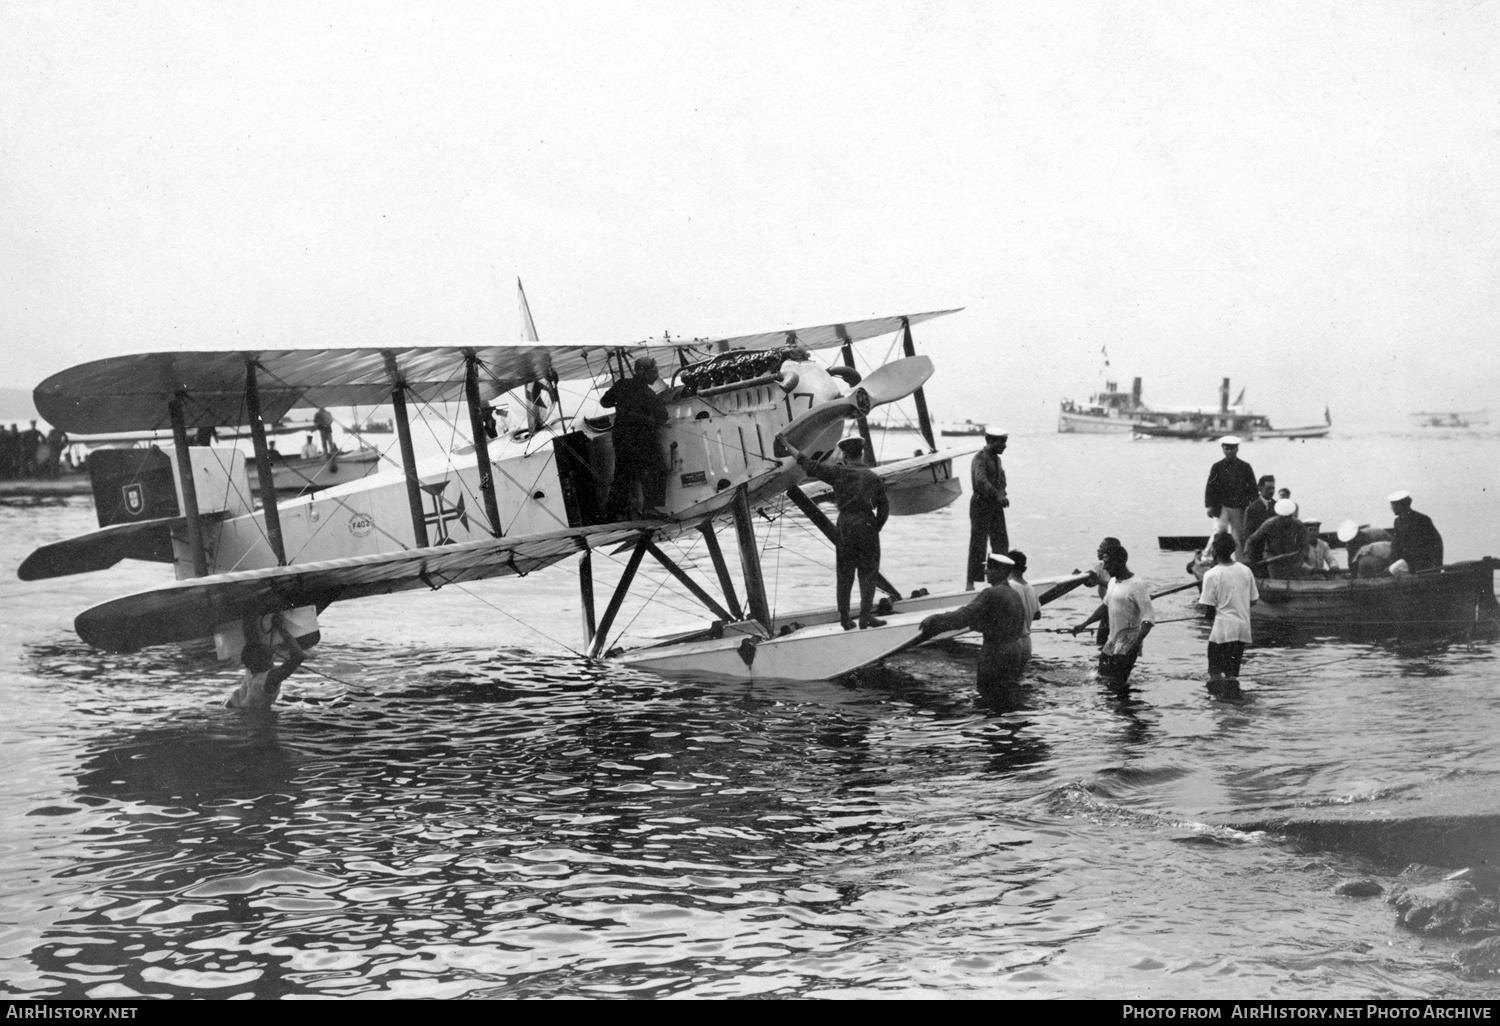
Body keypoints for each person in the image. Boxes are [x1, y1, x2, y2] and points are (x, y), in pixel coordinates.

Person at [788, 436, 890, 629]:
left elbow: (809, 464)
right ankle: (865, 616)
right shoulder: (872, 477)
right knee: (868, 572)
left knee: (845, 573)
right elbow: (884, 507)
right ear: (861, 453)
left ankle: (845, 618)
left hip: (845, 524)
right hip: (867, 524)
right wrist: (876, 525)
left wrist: (787, 445)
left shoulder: (838, 473)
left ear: (844, 454)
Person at [920, 554, 1030, 687]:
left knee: (988, 692)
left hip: (995, 653)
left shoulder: (991, 593)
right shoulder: (1014, 593)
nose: (985, 571)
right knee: (1007, 692)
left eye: (989, 568)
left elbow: (964, 616)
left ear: (1001, 571)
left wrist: (935, 620)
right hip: (1014, 652)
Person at [1073, 546, 1155, 687]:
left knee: (1117, 685)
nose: (1105, 568)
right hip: (1112, 640)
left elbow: (1149, 619)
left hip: (1128, 642)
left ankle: (1125, 707)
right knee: (1101, 679)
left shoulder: (1137, 585)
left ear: (1120, 562)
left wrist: (1136, 643)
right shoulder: (1112, 582)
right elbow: (1105, 607)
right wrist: (1085, 624)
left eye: (1108, 564)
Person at [600, 356, 670, 518]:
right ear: (642, 372)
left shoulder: (622, 384)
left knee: (623, 475)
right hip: (641, 439)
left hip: (621, 437)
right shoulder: (648, 393)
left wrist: (622, 403)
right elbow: (663, 416)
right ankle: (650, 508)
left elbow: (605, 402)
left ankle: (613, 513)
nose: (656, 375)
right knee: (657, 470)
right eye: (654, 371)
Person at [1196, 532, 1259, 680]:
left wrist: (1207, 615)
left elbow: (1208, 607)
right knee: (1232, 674)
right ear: (1232, 550)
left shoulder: (1211, 574)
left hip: (1222, 631)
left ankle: (1219, 700)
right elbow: (1253, 601)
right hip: (1242, 629)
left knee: (1215, 673)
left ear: (1214, 551)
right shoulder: (1245, 570)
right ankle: (1234, 698)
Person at [224, 615, 305, 710]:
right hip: (248, 718)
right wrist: (282, 629)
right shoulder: (271, 678)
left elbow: (250, 634)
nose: (266, 646)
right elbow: (299, 656)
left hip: (237, 712)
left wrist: (252, 613)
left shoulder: (251, 666)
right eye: (262, 648)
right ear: (263, 659)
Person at [966, 430, 1009, 589]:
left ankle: (1000, 579)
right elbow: (981, 481)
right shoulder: (980, 458)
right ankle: (971, 583)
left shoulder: (997, 460)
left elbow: (1002, 479)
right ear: (990, 440)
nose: (1004, 446)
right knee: (978, 543)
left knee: (1001, 543)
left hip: (995, 505)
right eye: (1001, 442)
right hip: (981, 504)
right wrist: (997, 495)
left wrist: (1002, 493)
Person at [1203, 436, 1257, 552]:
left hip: (1239, 506)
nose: (1229, 451)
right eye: (1226, 449)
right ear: (1222, 449)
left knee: (1238, 535)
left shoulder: (1245, 467)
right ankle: (1208, 556)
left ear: (1237, 449)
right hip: (1221, 506)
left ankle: (1239, 561)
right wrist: (1210, 506)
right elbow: (1210, 487)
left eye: (1231, 449)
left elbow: (1252, 488)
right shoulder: (1217, 467)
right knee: (1219, 531)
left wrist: (1254, 505)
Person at [1243, 498, 1305, 579]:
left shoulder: (1299, 525)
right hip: (1272, 560)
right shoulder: (1269, 524)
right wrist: (1249, 558)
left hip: (1291, 561)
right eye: (1284, 517)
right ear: (1279, 515)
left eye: (1289, 517)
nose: (1286, 520)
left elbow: (1304, 546)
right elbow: (1252, 541)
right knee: (1276, 582)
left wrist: (1300, 561)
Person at [1387, 490, 1443, 574]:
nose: (1392, 508)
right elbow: (1396, 545)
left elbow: (1435, 543)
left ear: (1401, 505)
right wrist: (1392, 563)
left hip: (1423, 564)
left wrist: (1437, 566)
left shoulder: (1421, 519)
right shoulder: (1398, 522)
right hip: (1410, 562)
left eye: (1393, 505)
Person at [1085, 536, 1124, 646]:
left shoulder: (1120, 568)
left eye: (1101, 547)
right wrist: (1082, 579)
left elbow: (1117, 587)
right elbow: (1091, 583)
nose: (1098, 550)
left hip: (1120, 612)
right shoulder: (1100, 566)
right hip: (1107, 609)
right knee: (1101, 644)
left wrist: (1098, 580)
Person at [1242, 475, 1278, 542]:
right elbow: (1247, 533)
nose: (1272, 491)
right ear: (1260, 488)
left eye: (1273, 488)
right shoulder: (1252, 508)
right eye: (1268, 488)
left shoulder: (1277, 506)